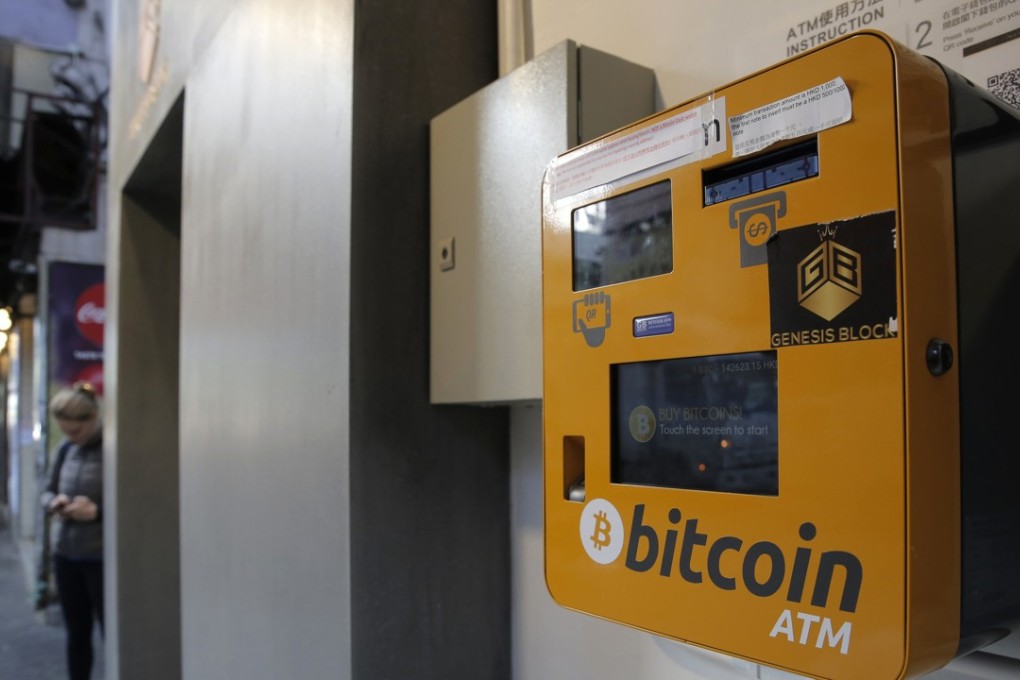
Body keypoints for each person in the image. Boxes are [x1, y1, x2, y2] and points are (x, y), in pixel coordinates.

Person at [41, 382, 103, 680]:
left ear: (93, 419)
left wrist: (97, 512)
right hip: (66, 553)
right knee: (76, 633)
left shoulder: (111, 449)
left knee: (109, 629)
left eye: (76, 431)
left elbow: (137, 502)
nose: (71, 438)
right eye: (65, 431)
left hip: (99, 555)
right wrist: (55, 502)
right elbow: (46, 491)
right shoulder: (65, 449)